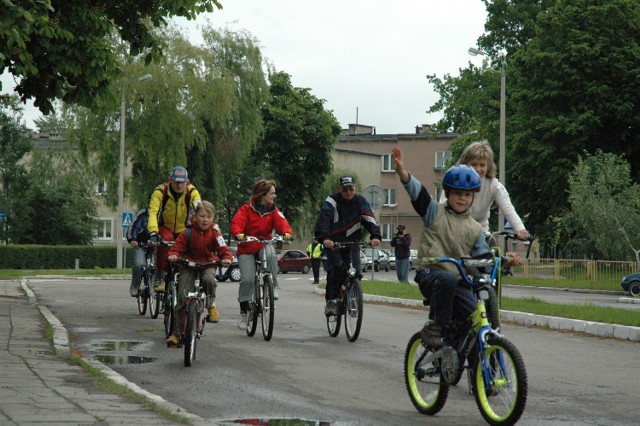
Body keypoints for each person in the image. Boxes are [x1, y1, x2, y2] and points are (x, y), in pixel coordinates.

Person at [392, 146, 521, 347]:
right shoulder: (434, 212)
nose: (462, 198)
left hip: (459, 280)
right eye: (457, 193)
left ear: (473, 198)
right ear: (448, 193)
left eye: (467, 195)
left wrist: (504, 261)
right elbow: (419, 194)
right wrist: (403, 173)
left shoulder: (475, 229)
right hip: (432, 274)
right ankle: (435, 326)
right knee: (447, 278)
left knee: (474, 319)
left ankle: (470, 360)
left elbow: (483, 259)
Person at [165, 201, 233, 347]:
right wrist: (173, 255)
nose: (205, 219)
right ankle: (176, 334)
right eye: (202, 216)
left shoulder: (215, 233)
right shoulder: (187, 232)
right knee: (182, 297)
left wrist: (226, 257)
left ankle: (210, 305)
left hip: (208, 264)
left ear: (213, 218)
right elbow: (176, 248)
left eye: (208, 217)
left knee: (209, 280)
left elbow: (223, 249)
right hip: (188, 266)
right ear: (194, 216)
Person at [314, 175, 382, 317]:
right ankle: (331, 300)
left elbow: (369, 218)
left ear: (355, 188)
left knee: (356, 272)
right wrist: (325, 238)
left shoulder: (360, 201)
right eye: (345, 189)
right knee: (337, 269)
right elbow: (324, 221)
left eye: (351, 189)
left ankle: (352, 296)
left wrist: (375, 236)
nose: (348, 192)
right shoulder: (331, 202)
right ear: (340, 189)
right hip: (333, 244)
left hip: (352, 243)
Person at [230, 179, 293, 330]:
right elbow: (237, 223)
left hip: (264, 244)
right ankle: (244, 312)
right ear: (262, 195)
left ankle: (273, 285)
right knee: (247, 280)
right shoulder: (246, 209)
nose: (274, 196)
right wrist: (238, 234)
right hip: (247, 247)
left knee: (271, 254)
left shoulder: (273, 211)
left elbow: (282, 222)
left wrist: (286, 233)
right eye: (272, 193)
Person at [442, 141, 529, 241]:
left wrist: (520, 228)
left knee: (491, 249)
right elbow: (442, 206)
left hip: (480, 231)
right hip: (454, 229)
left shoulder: (494, 185)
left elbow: (508, 208)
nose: (478, 169)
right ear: (465, 165)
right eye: (474, 164)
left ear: (488, 167)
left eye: (482, 165)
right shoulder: (453, 181)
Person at [147, 166, 201, 292]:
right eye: (176, 182)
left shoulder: (192, 192)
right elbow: (153, 213)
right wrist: (153, 231)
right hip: (164, 227)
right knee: (166, 239)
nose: (179, 185)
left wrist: (205, 228)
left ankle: (186, 276)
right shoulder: (160, 192)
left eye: (182, 182)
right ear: (169, 180)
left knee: (189, 244)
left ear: (187, 182)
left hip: (182, 228)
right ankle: (160, 275)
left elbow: (200, 209)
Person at [126, 208, 152, 297]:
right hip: (141, 246)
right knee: (139, 264)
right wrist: (132, 239)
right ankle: (135, 285)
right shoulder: (143, 214)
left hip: (157, 247)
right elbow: (133, 226)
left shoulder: (165, 213)